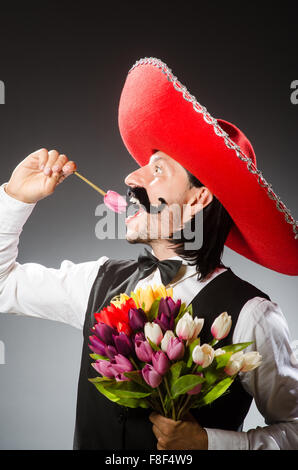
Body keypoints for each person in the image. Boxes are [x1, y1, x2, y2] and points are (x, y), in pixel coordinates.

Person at [0, 57, 297, 450]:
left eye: (156, 170)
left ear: (197, 199)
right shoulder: (99, 281)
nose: (130, 178)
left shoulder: (252, 316)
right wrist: (15, 199)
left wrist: (213, 443)